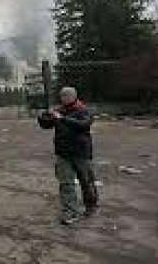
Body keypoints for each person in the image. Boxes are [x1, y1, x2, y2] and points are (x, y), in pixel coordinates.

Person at [37, 86, 99, 225]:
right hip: (63, 153)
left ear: (74, 96)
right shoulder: (59, 111)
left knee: (86, 181)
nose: (63, 98)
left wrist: (62, 119)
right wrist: (43, 116)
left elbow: (83, 125)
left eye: (66, 95)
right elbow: (46, 125)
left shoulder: (83, 110)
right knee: (66, 183)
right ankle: (70, 212)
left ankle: (91, 205)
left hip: (81, 153)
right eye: (62, 96)